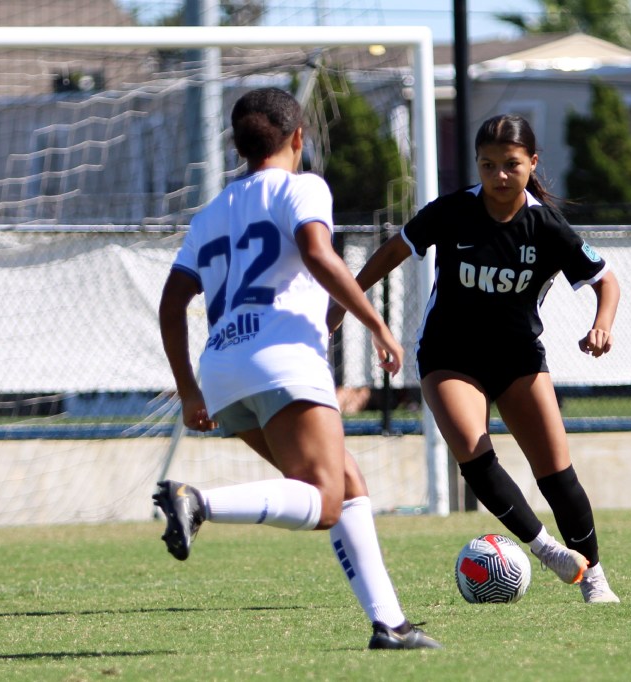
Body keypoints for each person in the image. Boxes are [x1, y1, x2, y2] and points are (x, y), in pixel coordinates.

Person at [155, 87, 442, 650]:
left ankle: (391, 624)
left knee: (345, 482)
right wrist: (376, 324)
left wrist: (189, 388)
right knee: (324, 499)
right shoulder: (303, 186)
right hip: (284, 360)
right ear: (298, 138)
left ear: (238, 147)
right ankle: (199, 500)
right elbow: (316, 251)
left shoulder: (209, 214)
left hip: (221, 373)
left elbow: (171, 304)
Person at [329, 114, 621, 604]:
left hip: (518, 358)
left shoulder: (546, 226)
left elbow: (606, 279)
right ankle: (545, 549)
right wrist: (347, 300)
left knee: (557, 474)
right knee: (472, 446)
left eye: (511, 165)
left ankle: (595, 578)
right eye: (488, 165)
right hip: (450, 355)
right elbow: (392, 250)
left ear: (532, 163)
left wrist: (602, 324)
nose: (499, 176)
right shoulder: (452, 211)